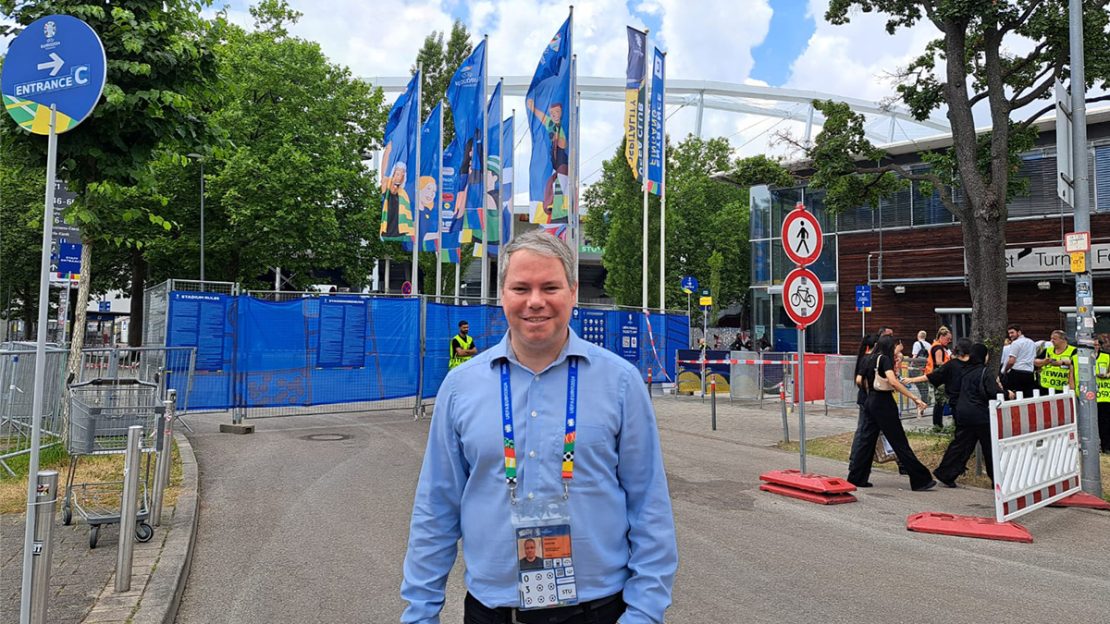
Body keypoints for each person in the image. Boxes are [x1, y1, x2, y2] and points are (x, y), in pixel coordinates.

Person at [401, 230, 677, 624]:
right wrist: (420, 613)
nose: (535, 301)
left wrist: (645, 612)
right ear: (502, 295)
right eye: (520, 287)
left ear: (573, 292)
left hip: (598, 612)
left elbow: (649, 503)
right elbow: (436, 507)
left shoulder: (620, 382)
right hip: (493, 613)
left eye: (550, 286)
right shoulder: (461, 387)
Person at [846, 335, 935, 491]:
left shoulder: (867, 358)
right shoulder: (884, 360)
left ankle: (856, 477)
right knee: (899, 441)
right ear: (889, 346)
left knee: (867, 441)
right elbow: (893, 382)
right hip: (883, 402)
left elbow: (859, 380)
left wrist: (869, 390)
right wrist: (914, 398)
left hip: (870, 400)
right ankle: (920, 479)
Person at [933, 344, 1003, 487]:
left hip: (963, 412)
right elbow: (992, 392)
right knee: (990, 448)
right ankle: (997, 479)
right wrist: (1007, 393)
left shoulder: (964, 370)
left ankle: (946, 473)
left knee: (961, 445)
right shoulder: (984, 372)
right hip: (981, 414)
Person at [526, 99, 569, 221]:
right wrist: (533, 108)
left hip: (562, 163)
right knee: (553, 184)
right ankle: (554, 207)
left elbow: (563, 144)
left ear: (561, 113)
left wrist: (557, 136)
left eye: (557, 112)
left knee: (560, 184)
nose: (555, 115)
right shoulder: (551, 124)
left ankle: (559, 210)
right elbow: (543, 118)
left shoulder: (561, 129)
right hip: (556, 161)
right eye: (553, 113)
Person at [846, 333, 879, 483]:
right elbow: (860, 380)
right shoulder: (867, 359)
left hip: (867, 399)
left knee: (864, 431)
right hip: (868, 399)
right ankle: (856, 462)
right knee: (863, 432)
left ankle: (856, 462)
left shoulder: (865, 358)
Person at [925, 327, 953, 429]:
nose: (949, 341)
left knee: (940, 401)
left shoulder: (938, 346)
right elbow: (939, 362)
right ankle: (937, 424)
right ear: (941, 337)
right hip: (939, 377)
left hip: (936, 376)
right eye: (948, 339)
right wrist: (950, 364)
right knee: (940, 401)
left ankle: (938, 424)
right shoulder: (938, 348)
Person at [379, 159, 413, 241]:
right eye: (397, 174)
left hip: (401, 229)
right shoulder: (387, 188)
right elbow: (392, 191)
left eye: (402, 174)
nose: (399, 177)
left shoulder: (404, 193)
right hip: (389, 227)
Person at [1002, 324, 1038, 398]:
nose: (1010, 335)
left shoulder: (1015, 343)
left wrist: (1005, 370)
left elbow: (1011, 361)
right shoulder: (1031, 342)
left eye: (1012, 332)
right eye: (1009, 333)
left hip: (1017, 372)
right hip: (1029, 373)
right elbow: (1033, 358)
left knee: (1016, 396)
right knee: (1028, 397)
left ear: (1019, 332)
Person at [1091, 335, 1110, 453]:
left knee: (1105, 422)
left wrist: (1107, 375)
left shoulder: (1106, 356)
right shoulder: (1080, 357)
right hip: (1087, 395)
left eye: (1097, 345)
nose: (1096, 347)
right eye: (1093, 345)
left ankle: (1106, 446)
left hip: (1104, 394)